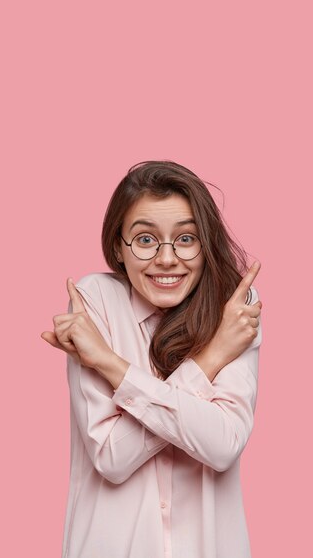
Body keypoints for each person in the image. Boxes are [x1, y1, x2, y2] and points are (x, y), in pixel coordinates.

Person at [41, 160, 263, 558]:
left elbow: (223, 444)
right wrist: (209, 362)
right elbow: (111, 455)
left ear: (205, 243)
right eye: (145, 240)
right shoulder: (95, 301)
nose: (166, 259)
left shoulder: (234, 309)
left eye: (186, 239)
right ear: (118, 248)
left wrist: (110, 364)